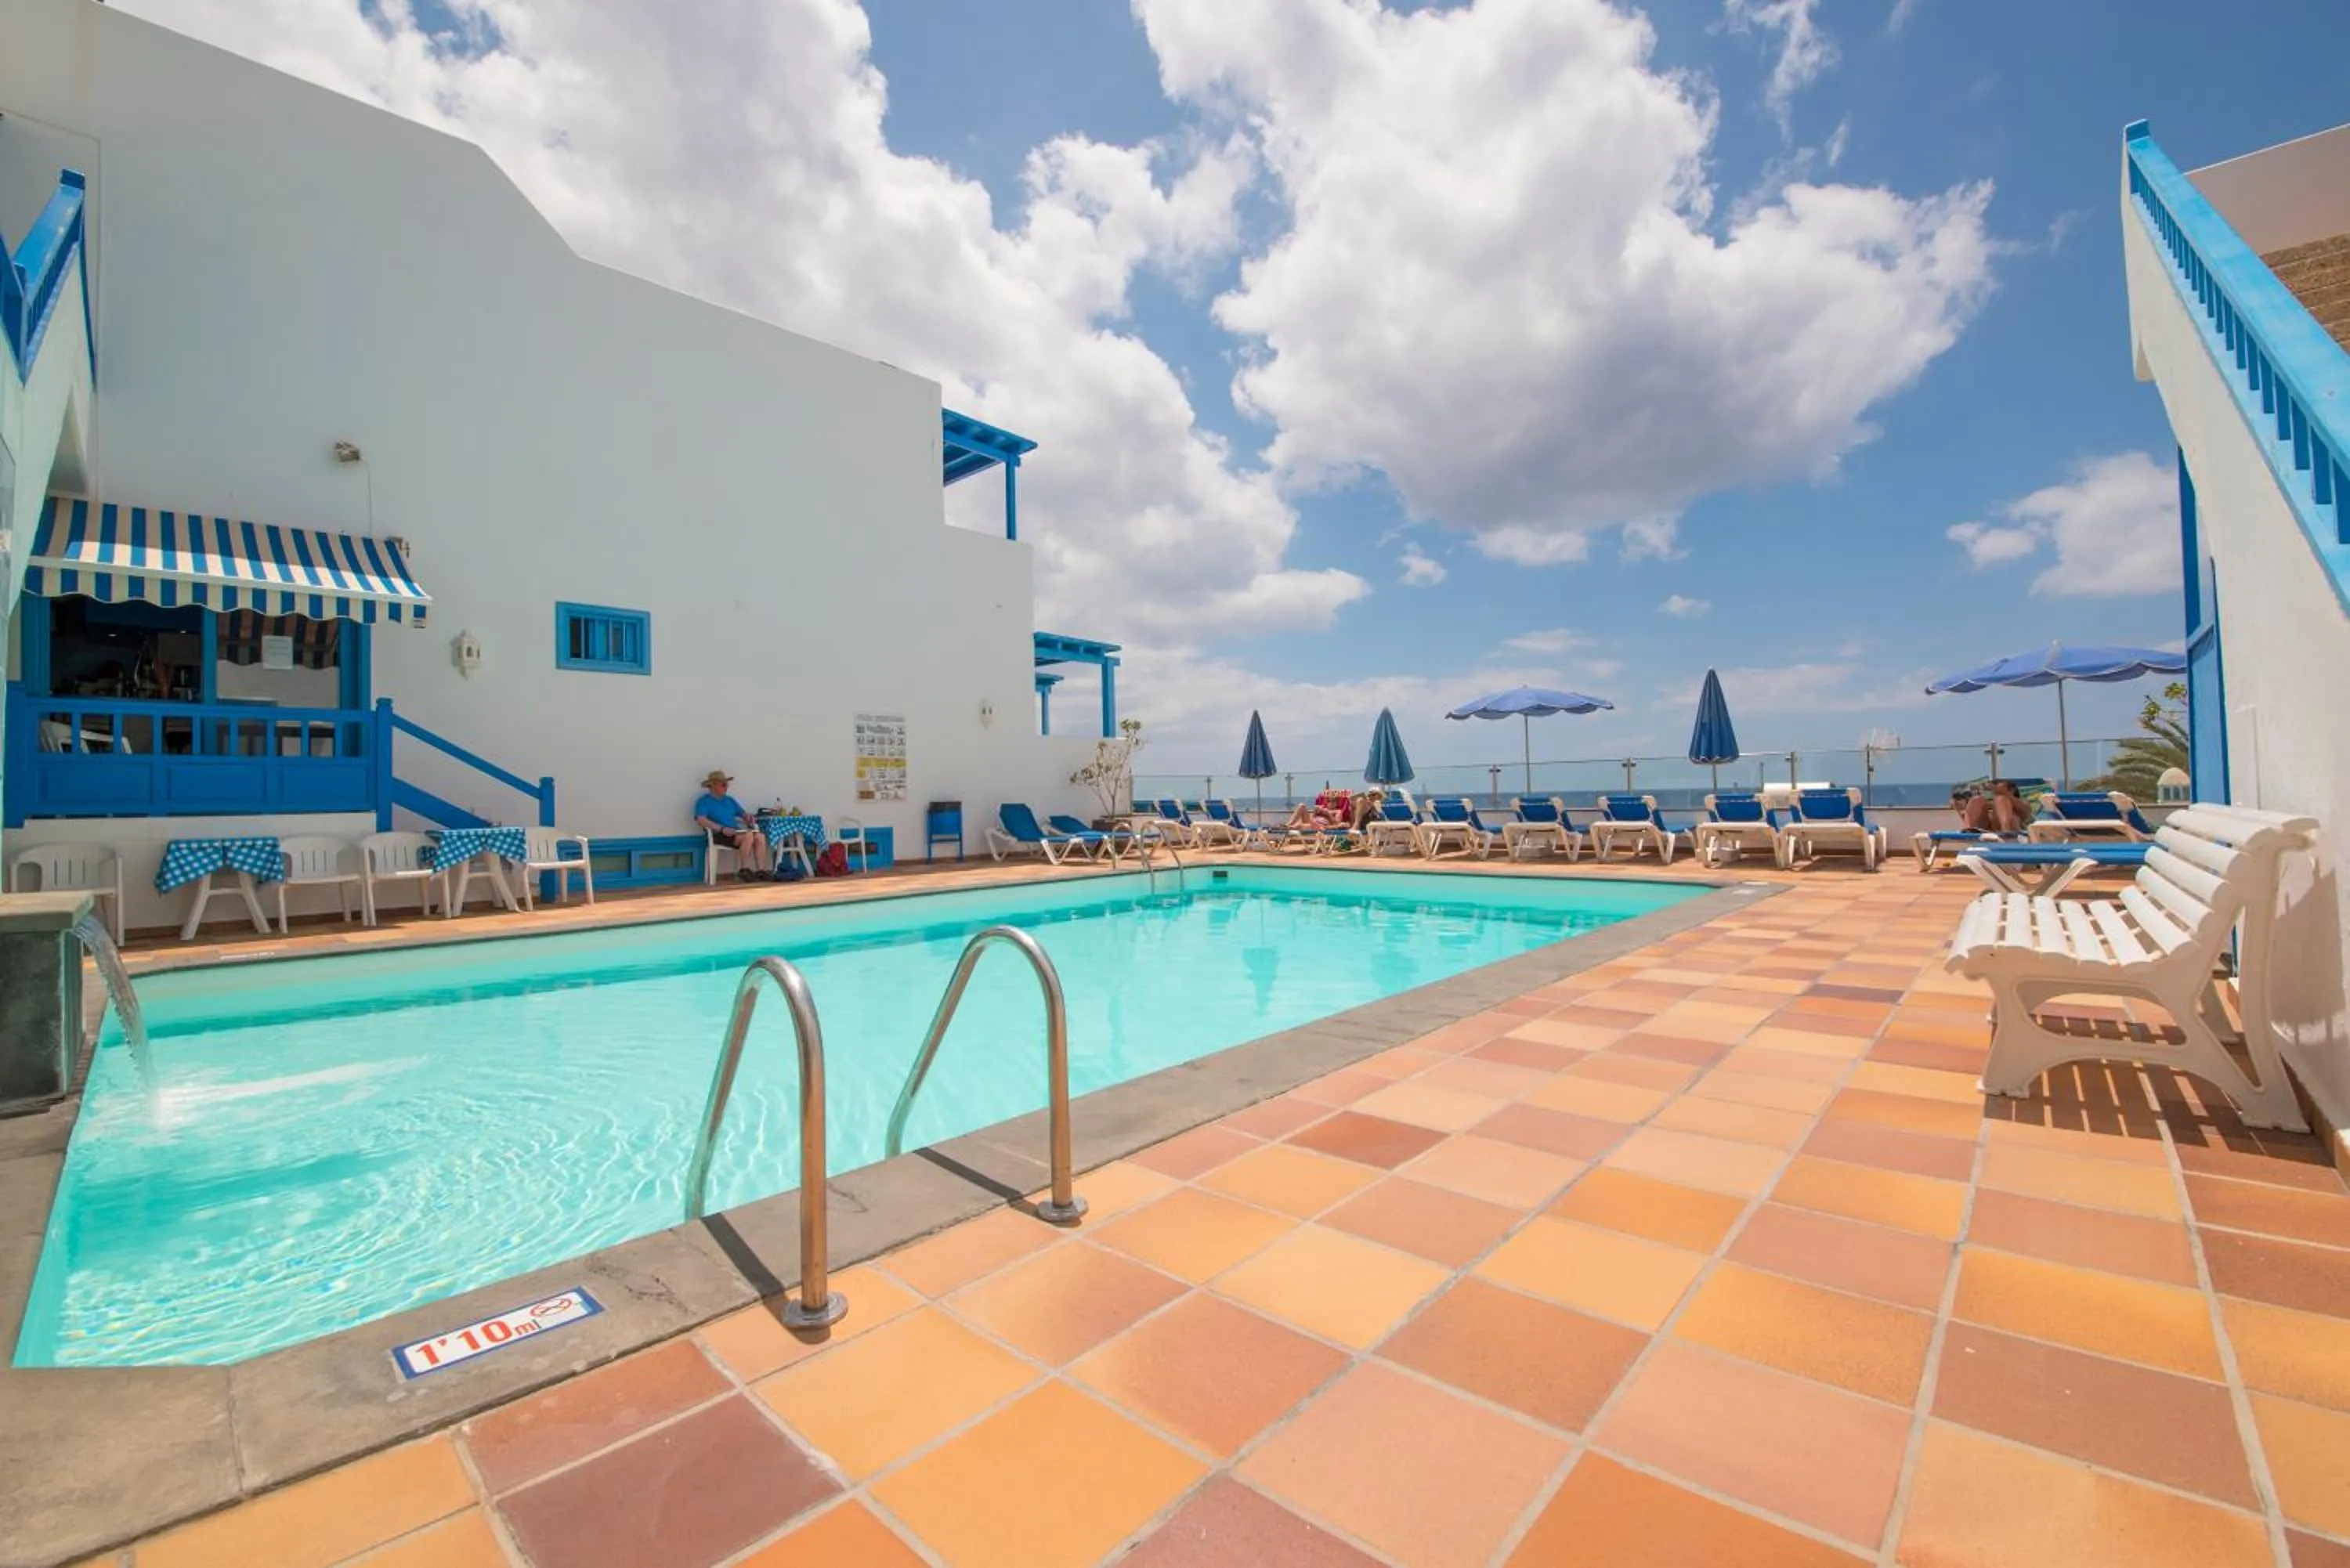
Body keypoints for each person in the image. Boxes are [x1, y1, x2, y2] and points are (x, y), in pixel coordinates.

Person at [693, 769, 773, 880]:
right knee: (748, 835)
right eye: (723, 785)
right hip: (718, 834)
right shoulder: (703, 801)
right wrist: (722, 829)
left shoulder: (729, 800)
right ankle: (744, 870)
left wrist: (749, 818)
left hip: (735, 833)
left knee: (760, 836)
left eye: (727, 784)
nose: (727, 787)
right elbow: (701, 820)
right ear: (713, 786)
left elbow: (743, 814)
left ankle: (761, 870)